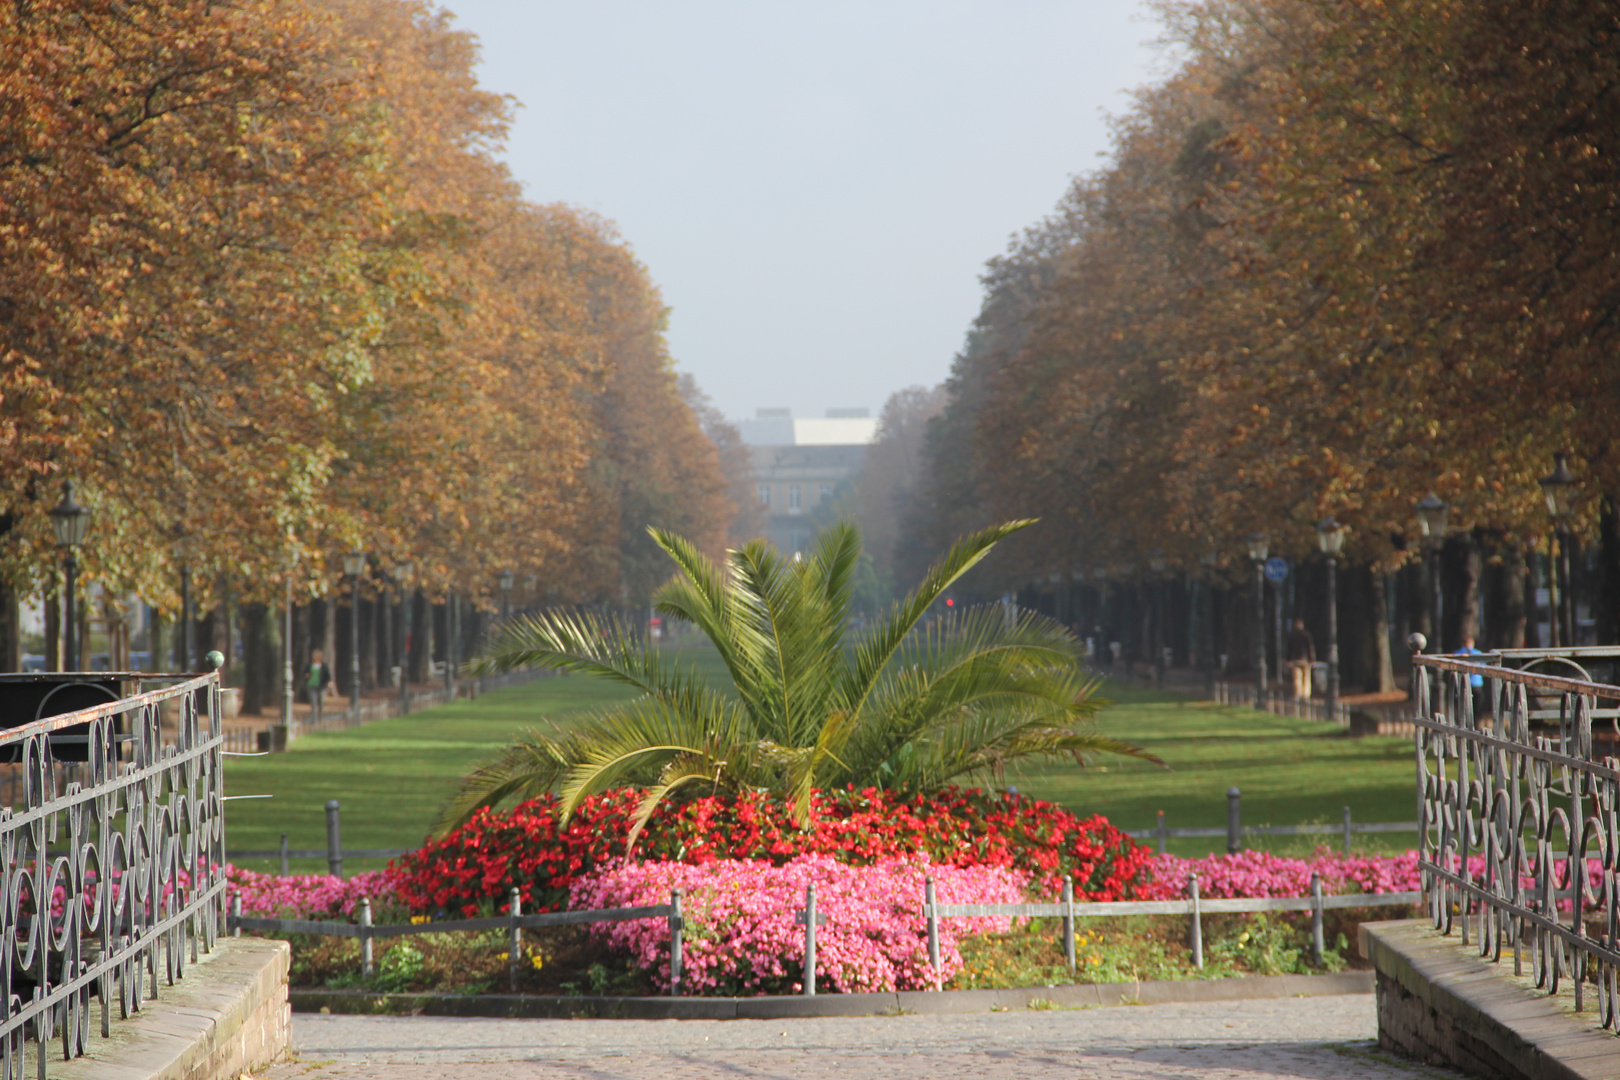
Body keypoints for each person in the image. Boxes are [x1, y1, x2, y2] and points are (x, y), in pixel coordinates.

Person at [1457, 635, 1489, 719]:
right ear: (1473, 643)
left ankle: (1464, 723)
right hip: (1477, 683)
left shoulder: (1458, 653)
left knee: (1463, 705)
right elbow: (1484, 667)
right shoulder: (1478, 653)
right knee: (1477, 706)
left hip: (1462, 683)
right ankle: (1476, 723)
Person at [1285, 618, 1316, 700]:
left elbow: (1289, 649)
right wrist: (1312, 660)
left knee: (1296, 678)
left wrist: (1288, 660)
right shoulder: (1306, 635)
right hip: (1305, 660)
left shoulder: (1292, 635)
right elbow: (1310, 648)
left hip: (1295, 660)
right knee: (1306, 678)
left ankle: (1297, 694)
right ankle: (1305, 695)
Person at [303, 647, 333, 726]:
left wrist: (329, 683)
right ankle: (314, 719)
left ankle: (321, 718)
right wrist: (307, 675)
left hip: (321, 686)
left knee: (321, 702)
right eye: (314, 656)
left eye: (316, 656)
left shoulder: (324, 666)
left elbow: (328, 676)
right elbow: (305, 673)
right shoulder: (310, 665)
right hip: (311, 685)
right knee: (313, 702)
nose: (315, 657)